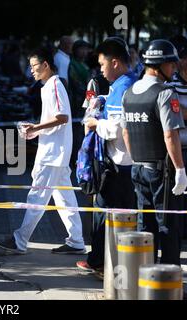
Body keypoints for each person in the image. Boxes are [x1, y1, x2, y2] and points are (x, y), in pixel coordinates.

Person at [0, 47, 85, 255]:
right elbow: (58, 120)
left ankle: (20, 240)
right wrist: (36, 130)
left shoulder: (54, 85)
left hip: (53, 154)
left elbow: (63, 117)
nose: (31, 71)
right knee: (65, 199)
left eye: (34, 66)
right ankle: (77, 241)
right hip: (55, 153)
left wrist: (36, 128)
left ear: (46, 65)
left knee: (37, 196)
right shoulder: (50, 86)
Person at [122, 39, 187, 265]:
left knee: (145, 227)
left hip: (138, 168)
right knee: (168, 225)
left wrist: (137, 159)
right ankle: (169, 285)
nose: (174, 68)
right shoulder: (165, 94)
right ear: (158, 65)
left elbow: (126, 133)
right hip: (161, 172)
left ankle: (144, 280)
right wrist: (180, 169)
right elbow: (171, 134)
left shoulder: (129, 93)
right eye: (171, 64)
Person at [76, 38, 137, 277]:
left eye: (102, 64)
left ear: (115, 63)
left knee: (105, 213)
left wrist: (94, 122)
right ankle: (106, 263)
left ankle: (102, 263)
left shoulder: (122, 87)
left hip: (119, 163)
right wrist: (101, 100)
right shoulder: (128, 83)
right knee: (112, 215)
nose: (100, 69)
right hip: (126, 163)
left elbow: (115, 128)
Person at [167, 39, 187, 239]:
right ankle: (179, 228)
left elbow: (184, 113)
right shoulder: (171, 85)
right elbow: (174, 112)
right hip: (179, 147)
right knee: (180, 189)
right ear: (181, 62)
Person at [68, 40, 91, 119]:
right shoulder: (72, 64)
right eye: (82, 49)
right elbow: (75, 83)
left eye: (86, 49)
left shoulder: (84, 64)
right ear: (75, 50)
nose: (84, 51)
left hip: (87, 98)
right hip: (77, 100)